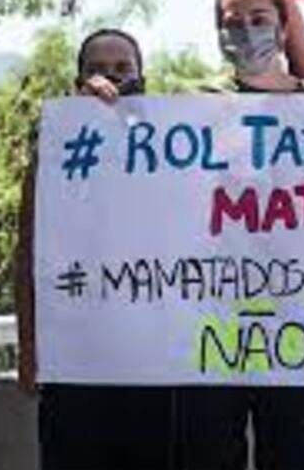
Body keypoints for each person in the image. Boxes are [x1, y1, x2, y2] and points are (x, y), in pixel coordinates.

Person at [177, 0, 304, 470]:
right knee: (209, 453)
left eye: (259, 18)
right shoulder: (192, 108)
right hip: (214, 321)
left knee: (290, 453)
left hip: (298, 322)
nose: (246, 30)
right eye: (232, 22)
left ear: (285, 27)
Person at [15, 28, 180, 470]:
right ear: (78, 82)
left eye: (123, 69)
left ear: (142, 79)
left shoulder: (174, 148)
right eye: (98, 70)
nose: (111, 79)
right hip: (74, 358)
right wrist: (28, 346)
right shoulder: (53, 151)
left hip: (152, 360)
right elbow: (27, 252)